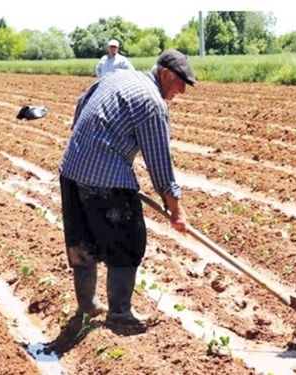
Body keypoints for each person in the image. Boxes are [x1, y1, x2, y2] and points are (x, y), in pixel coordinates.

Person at [60, 50, 195, 327]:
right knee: (127, 241)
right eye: (180, 82)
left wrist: (86, 144)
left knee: (82, 243)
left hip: (71, 169)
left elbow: (80, 102)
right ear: (166, 74)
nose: (181, 90)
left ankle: (87, 307)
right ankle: (120, 315)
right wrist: (176, 209)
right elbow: (160, 163)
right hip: (106, 178)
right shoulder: (152, 103)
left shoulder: (117, 77)